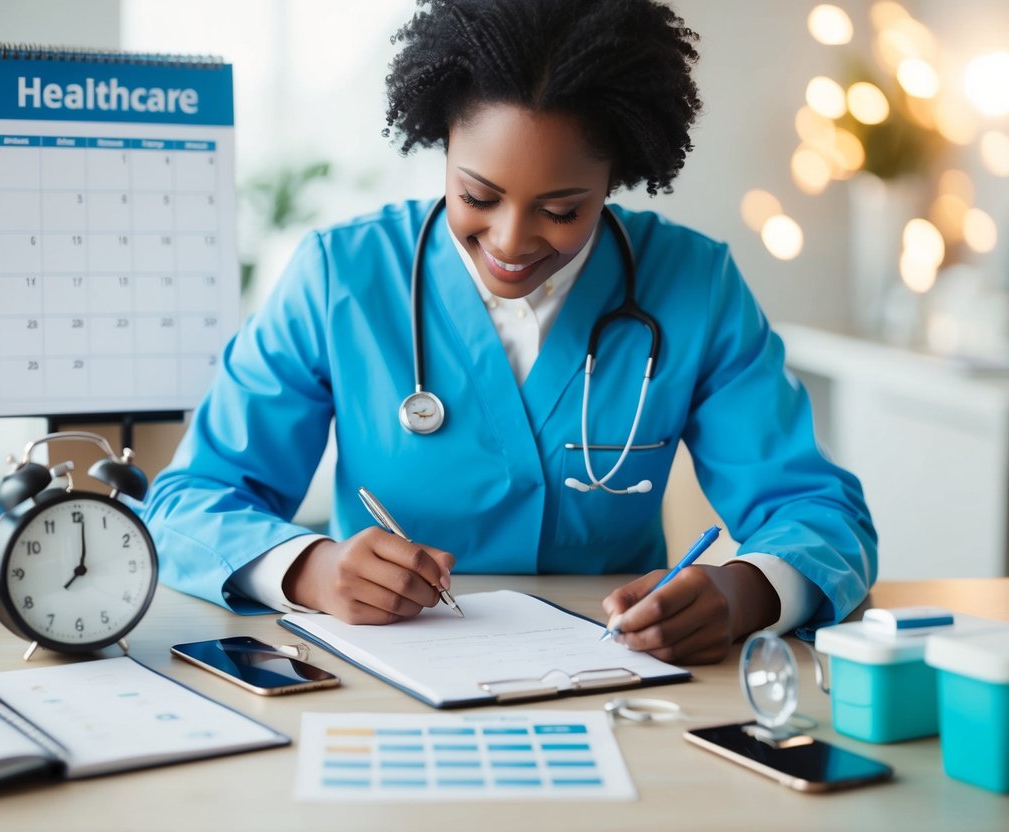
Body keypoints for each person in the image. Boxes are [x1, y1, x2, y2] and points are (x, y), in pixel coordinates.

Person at [142, 0, 877, 665]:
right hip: (387, 673)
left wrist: (745, 591)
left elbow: (816, 511)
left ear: (616, 175)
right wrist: (307, 569)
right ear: (439, 145)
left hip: (619, 679)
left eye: (560, 209)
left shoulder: (694, 284)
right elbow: (190, 502)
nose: (510, 240)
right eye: (476, 196)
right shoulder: (340, 276)